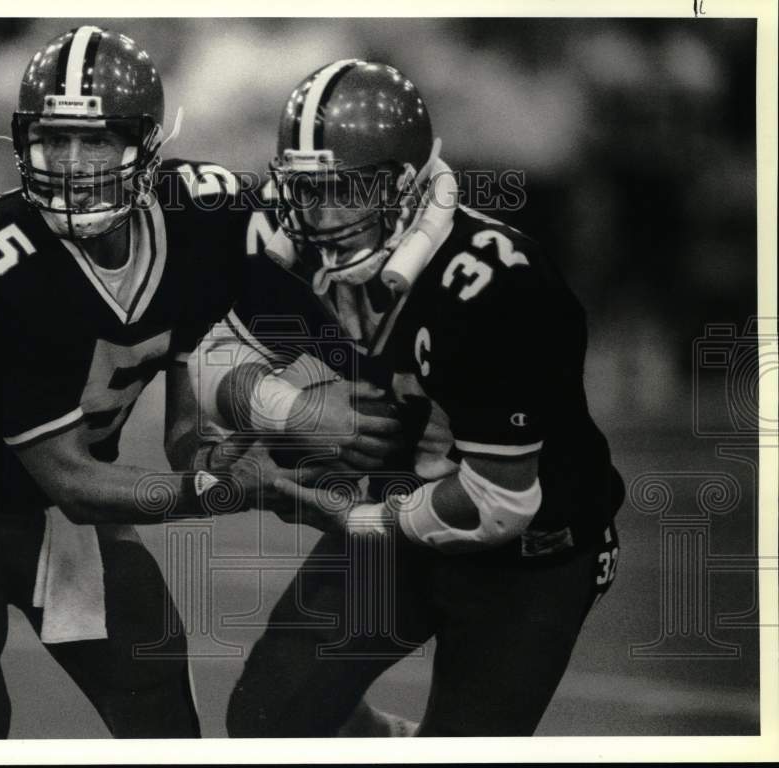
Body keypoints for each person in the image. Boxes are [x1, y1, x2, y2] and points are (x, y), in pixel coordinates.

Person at [192, 59, 625, 736]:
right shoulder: (295, 236)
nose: (321, 215)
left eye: (345, 189)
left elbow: (498, 501)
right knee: (267, 719)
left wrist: (355, 516)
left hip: (532, 554)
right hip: (399, 518)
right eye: (306, 190)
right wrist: (298, 413)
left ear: (407, 185)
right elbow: (212, 358)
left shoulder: (494, 283)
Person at [0, 26, 292, 739]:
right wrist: (221, 489)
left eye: (98, 140)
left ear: (145, 143)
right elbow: (71, 481)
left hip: (66, 516)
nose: (74, 165)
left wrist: (226, 446)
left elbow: (184, 419)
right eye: (55, 140)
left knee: (160, 709)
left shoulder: (204, 213)